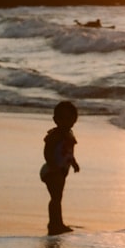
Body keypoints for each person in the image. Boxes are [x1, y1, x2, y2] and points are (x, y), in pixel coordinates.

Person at [40, 101, 80, 235]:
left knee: (58, 197)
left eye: (69, 119)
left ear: (75, 119)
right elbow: (47, 151)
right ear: (55, 120)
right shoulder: (55, 135)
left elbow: (69, 152)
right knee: (56, 198)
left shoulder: (69, 134)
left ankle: (57, 222)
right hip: (52, 171)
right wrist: (52, 165)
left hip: (62, 170)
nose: (66, 122)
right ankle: (54, 223)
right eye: (62, 119)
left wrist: (74, 163)